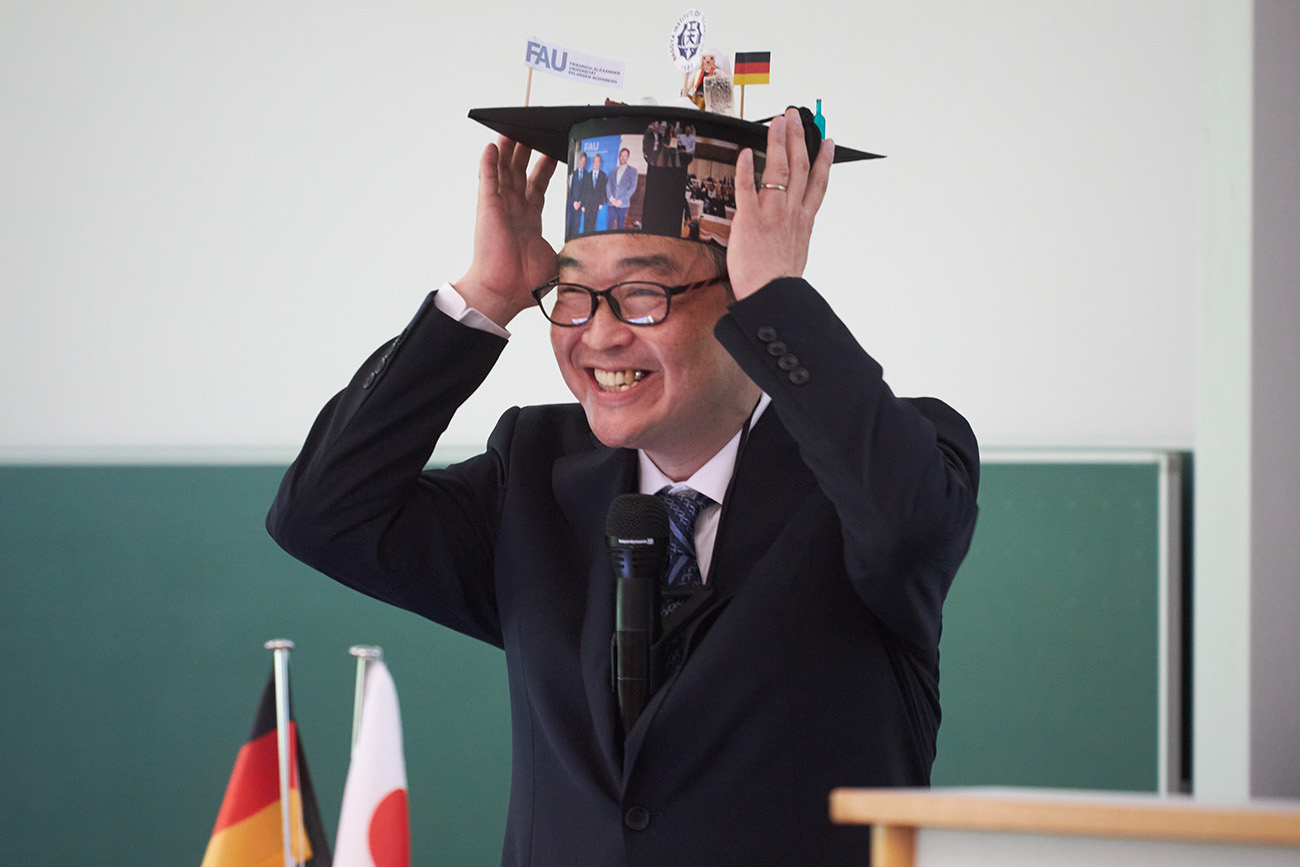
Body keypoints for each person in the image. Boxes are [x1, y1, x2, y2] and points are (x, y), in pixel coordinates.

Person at [268, 105, 979, 867]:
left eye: (644, 295)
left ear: (742, 295)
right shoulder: (534, 476)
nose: (600, 334)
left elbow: (908, 526)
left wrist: (782, 299)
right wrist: (490, 290)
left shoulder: (871, 472)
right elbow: (323, 513)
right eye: (573, 295)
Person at [606, 147, 638, 230]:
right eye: (621, 155)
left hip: (622, 203)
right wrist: (611, 199)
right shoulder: (613, 171)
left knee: (620, 225)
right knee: (609, 225)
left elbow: (632, 187)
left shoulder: (633, 171)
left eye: (625, 156)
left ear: (628, 157)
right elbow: (608, 185)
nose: (623, 157)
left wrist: (620, 200)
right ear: (619, 157)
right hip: (611, 203)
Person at [581, 152, 607, 234]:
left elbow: (603, 190)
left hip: (596, 204)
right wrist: (582, 205)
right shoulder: (587, 175)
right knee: (586, 224)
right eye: (594, 161)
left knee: (592, 224)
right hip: (587, 204)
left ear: (600, 163)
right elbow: (584, 191)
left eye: (598, 161)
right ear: (592, 163)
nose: (596, 163)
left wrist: (601, 203)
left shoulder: (603, 175)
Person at [567, 150, 587, 236]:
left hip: (579, 205)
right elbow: (569, 190)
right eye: (581, 160)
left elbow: (585, 191)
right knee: (568, 225)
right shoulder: (573, 174)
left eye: (584, 161)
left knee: (576, 226)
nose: (582, 163)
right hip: (571, 203)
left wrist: (580, 202)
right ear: (579, 161)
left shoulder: (587, 175)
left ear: (586, 162)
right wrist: (574, 201)